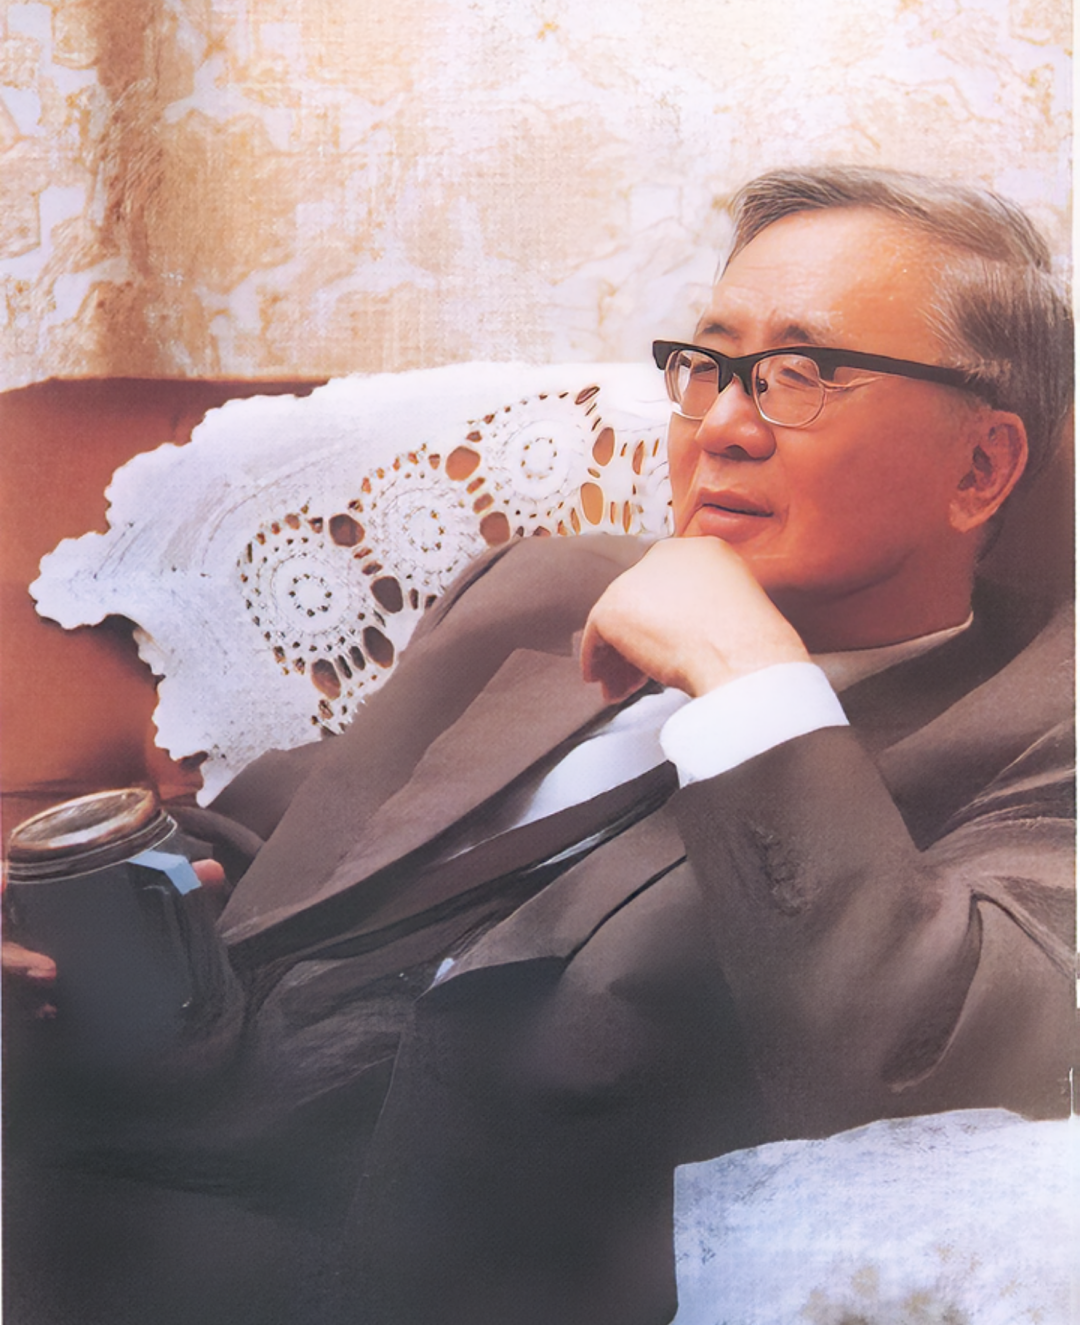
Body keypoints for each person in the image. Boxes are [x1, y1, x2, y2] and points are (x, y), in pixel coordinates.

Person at [4, 166, 1075, 1325]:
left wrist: (748, 674)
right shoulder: (545, 586)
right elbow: (300, 838)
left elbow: (921, 1058)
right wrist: (69, 914)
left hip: (399, 1261)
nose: (721, 428)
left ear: (980, 467)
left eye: (802, 376)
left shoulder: (1040, 730)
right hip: (102, 1144)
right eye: (710, 365)